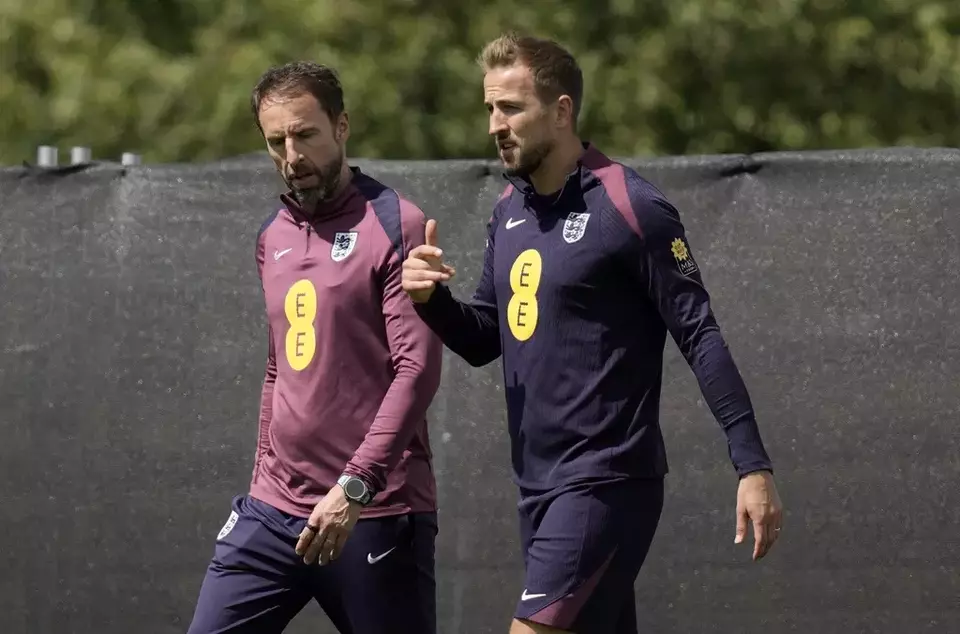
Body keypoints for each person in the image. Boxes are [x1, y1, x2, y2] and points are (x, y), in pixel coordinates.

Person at [401, 32, 784, 634]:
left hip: (606, 482)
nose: (495, 126)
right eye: (489, 109)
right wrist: (430, 300)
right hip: (538, 490)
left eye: (511, 108)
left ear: (561, 110)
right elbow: (482, 340)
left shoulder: (630, 206)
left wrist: (752, 465)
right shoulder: (508, 211)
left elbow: (700, 334)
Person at [186, 61, 444, 634]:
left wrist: (354, 487)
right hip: (273, 511)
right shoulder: (271, 235)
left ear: (342, 127)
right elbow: (279, 367)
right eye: (276, 141)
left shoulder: (395, 222)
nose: (292, 155)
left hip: (371, 512)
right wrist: (263, 475)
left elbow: (417, 369)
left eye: (305, 134)